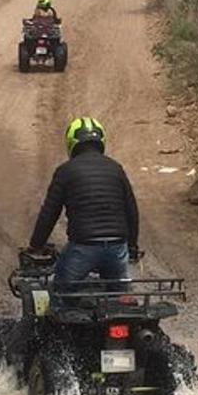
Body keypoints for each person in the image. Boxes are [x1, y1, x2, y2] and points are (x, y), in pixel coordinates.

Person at [27, 116, 141, 286]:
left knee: (62, 293)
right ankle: (120, 303)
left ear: (72, 142)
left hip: (83, 247)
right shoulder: (116, 169)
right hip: (117, 247)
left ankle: (68, 307)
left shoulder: (65, 171)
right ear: (101, 140)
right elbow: (132, 210)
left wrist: (36, 245)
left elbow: (49, 213)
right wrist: (132, 246)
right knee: (118, 295)